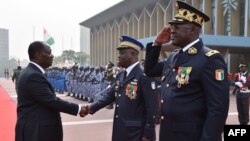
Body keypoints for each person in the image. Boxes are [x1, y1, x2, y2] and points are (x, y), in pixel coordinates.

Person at [144, 1, 229, 141]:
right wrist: (156, 43)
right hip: (169, 133)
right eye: (171, 26)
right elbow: (150, 70)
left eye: (177, 26)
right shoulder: (174, 57)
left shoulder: (210, 59)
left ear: (193, 30)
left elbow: (217, 109)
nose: (171, 30)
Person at [83, 36, 158, 141]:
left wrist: (148, 133)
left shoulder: (144, 75)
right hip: (121, 129)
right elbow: (110, 96)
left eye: (122, 53)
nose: (119, 56)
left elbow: (152, 107)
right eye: (119, 53)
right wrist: (91, 107)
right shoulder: (121, 75)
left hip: (136, 133)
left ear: (133, 54)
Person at [15, 41, 86, 141]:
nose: (52, 56)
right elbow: (52, 101)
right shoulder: (33, 75)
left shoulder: (31, 72)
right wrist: (78, 108)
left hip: (34, 129)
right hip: (36, 132)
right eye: (49, 53)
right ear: (38, 55)